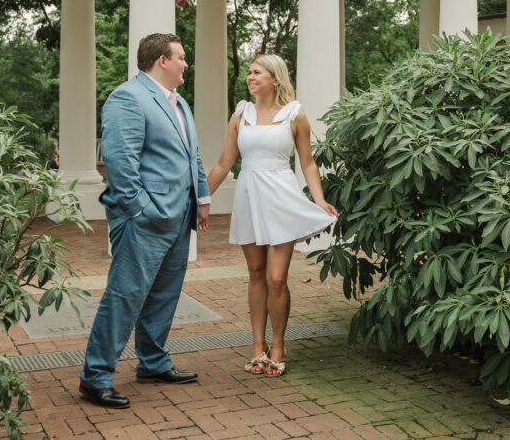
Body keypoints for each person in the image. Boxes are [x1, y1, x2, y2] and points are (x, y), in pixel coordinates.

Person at [79, 33, 211, 409]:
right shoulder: (128, 97)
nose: (187, 64)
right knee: (125, 296)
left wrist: (201, 199)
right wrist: (140, 211)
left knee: (164, 295)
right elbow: (121, 162)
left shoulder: (180, 102)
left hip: (179, 215)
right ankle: (96, 377)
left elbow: (192, 156)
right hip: (144, 218)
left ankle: (152, 362)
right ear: (161, 60)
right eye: (181, 58)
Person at [206, 54, 337, 378]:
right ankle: (256, 345)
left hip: (280, 198)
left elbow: (307, 163)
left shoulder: (295, 114)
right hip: (249, 198)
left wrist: (318, 199)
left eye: (256, 73)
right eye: (249, 72)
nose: (250, 77)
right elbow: (224, 163)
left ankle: (278, 345)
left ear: (274, 79)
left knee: (276, 278)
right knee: (255, 273)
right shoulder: (241, 114)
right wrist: (200, 198)